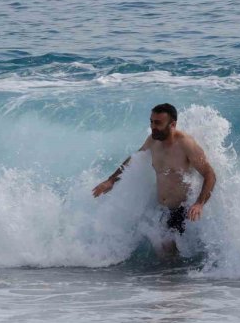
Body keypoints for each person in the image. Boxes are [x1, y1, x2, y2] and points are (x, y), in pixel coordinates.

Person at [92, 103, 216, 255]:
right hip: (162, 210)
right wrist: (111, 180)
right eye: (151, 121)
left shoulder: (186, 144)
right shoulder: (153, 140)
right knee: (164, 256)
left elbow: (210, 174)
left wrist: (199, 204)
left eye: (158, 123)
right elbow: (134, 159)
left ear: (173, 124)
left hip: (181, 210)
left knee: (167, 252)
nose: (153, 126)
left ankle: (173, 277)